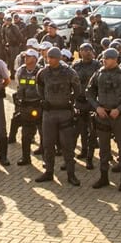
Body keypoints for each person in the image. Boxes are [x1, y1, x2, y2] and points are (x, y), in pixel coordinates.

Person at [87, 47, 121, 191]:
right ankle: (104, 177)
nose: (104, 61)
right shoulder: (99, 73)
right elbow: (89, 92)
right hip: (102, 116)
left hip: (119, 117)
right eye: (103, 58)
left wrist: (119, 109)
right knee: (103, 148)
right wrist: (97, 107)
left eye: (107, 58)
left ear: (115, 59)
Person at [34, 47, 81, 186]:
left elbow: (77, 89)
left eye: (53, 57)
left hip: (64, 112)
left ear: (59, 58)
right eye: (49, 57)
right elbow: (39, 88)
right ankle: (49, 172)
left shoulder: (69, 72)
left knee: (67, 145)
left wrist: (70, 100)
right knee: (48, 144)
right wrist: (44, 100)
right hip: (49, 113)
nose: (50, 60)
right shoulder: (43, 73)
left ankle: (71, 174)